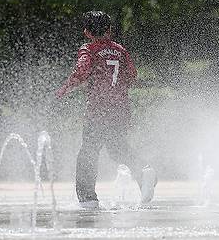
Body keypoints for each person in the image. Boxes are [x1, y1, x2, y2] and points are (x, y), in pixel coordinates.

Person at [56, 11, 157, 208]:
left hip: (98, 110)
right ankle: (144, 170)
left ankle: (88, 200)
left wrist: (65, 89)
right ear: (110, 30)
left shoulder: (89, 49)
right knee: (117, 148)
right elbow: (132, 76)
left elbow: (82, 70)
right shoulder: (120, 50)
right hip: (120, 109)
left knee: (88, 152)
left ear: (86, 32)